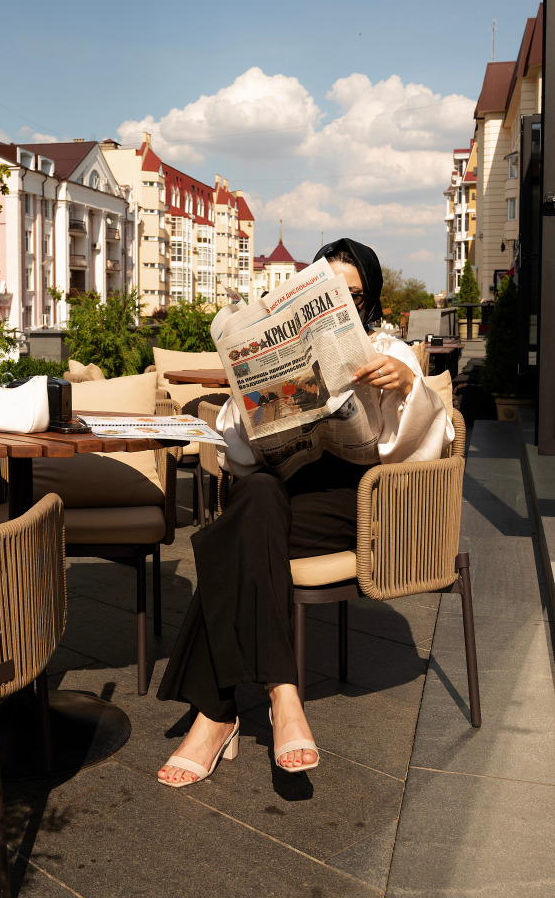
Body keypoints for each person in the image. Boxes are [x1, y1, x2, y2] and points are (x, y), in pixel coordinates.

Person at [156, 238, 453, 788]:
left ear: (371, 300)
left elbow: (430, 442)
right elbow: (238, 456)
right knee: (256, 498)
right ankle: (282, 693)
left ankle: (217, 714)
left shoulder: (394, 352)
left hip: (352, 501)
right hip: (277, 491)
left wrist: (408, 388)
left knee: (236, 533)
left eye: (355, 295)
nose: (348, 302)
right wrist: (253, 401)